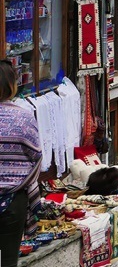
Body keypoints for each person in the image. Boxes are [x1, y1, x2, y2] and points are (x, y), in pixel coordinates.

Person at [0, 60, 41, 267]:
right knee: (7, 260)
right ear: (11, 85)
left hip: (14, 197)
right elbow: (36, 157)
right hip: (14, 200)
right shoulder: (23, 117)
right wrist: (22, 182)